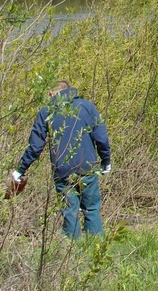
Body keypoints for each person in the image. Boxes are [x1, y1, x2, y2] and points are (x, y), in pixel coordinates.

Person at [12, 81, 111, 239]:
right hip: (87, 168)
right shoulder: (87, 107)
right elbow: (101, 137)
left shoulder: (46, 112)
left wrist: (20, 170)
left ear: (52, 93)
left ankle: (71, 255)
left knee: (69, 211)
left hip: (62, 171)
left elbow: (35, 147)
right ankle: (95, 249)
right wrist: (106, 161)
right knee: (91, 208)